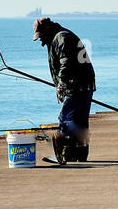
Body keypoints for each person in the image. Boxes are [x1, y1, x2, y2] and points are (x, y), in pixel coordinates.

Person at [32, 17, 95, 163]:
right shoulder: (58, 37)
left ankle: (62, 154)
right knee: (79, 121)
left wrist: (62, 83)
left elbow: (66, 62)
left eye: (41, 36)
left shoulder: (62, 38)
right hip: (84, 83)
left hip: (77, 84)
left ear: (47, 29)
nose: (41, 40)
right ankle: (78, 154)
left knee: (65, 120)